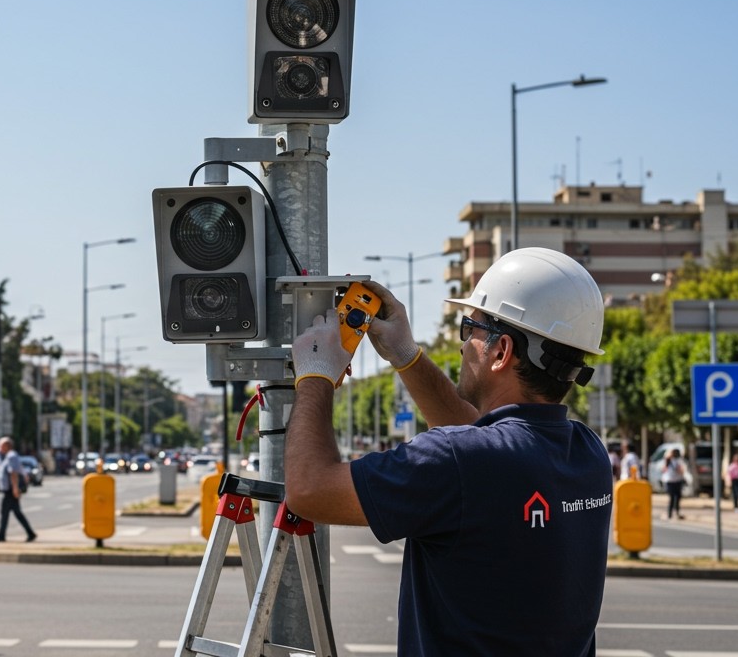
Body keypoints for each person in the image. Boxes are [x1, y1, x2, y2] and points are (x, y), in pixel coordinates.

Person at [284, 247, 612, 656]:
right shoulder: (588, 454)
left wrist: (315, 375)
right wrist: (406, 356)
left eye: (468, 327)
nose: (462, 345)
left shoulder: (461, 460)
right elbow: (477, 437)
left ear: (501, 351)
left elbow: (309, 490)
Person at [0, 436, 36, 543]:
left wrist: (15, 488)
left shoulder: (11, 456)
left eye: (0, 445)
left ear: (6, 446)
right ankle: (30, 533)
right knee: (14, 513)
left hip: (10, 490)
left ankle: (1, 535)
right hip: (10, 489)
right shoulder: (8, 456)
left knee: (7, 513)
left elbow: (13, 473)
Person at [660, 448, 687, 520]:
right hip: (671, 481)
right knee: (673, 498)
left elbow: (681, 471)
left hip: (676, 481)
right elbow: (663, 470)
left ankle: (675, 513)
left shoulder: (678, 461)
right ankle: (670, 513)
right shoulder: (668, 461)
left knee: (677, 498)